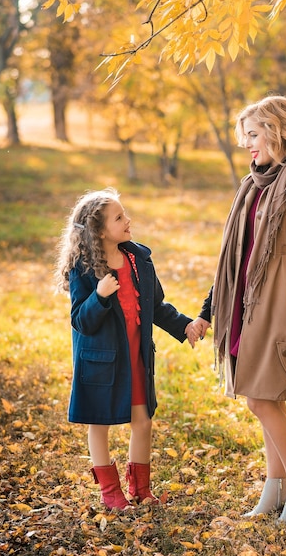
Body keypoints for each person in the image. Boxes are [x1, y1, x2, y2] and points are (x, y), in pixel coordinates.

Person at [193, 95, 286, 524]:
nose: (248, 145)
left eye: (253, 135)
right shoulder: (252, 185)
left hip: (279, 303)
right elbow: (235, 254)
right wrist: (208, 307)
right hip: (244, 302)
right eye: (245, 137)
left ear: (278, 131)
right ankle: (274, 491)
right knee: (264, 398)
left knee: (262, 398)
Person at [55, 187, 199, 511]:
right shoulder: (84, 268)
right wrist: (101, 295)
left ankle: (141, 488)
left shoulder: (138, 260)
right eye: (119, 217)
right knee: (99, 424)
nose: (127, 219)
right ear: (100, 230)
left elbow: (156, 306)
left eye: (125, 214)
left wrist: (185, 325)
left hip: (136, 357)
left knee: (143, 421)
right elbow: (81, 320)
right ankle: (110, 492)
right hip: (101, 361)